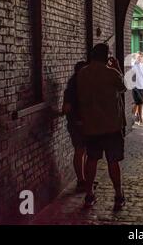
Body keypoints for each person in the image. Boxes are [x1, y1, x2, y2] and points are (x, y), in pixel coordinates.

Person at [77, 43, 127, 210]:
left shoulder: (82, 73)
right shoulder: (111, 73)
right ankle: (118, 195)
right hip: (111, 125)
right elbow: (123, 87)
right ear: (106, 56)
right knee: (113, 161)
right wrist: (118, 67)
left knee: (91, 160)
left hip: (91, 125)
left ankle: (89, 194)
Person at [62, 61, 87, 192]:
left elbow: (65, 109)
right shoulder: (77, 89)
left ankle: (83, 180)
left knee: (81, 152)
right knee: (81, 152)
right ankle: (82, 180)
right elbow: (66, 108)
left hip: (78, 124)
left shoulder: (71, 88)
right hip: (79, 125)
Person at [131, 52, 143, 127]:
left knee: (140, 103)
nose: (140, 58)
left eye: (141, 56)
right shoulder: (133, 64)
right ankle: (133, 119)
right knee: (137, 103)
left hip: (141, 86)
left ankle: (138, 119)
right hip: (135, 87)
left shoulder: (142, 65)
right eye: (139, 56)